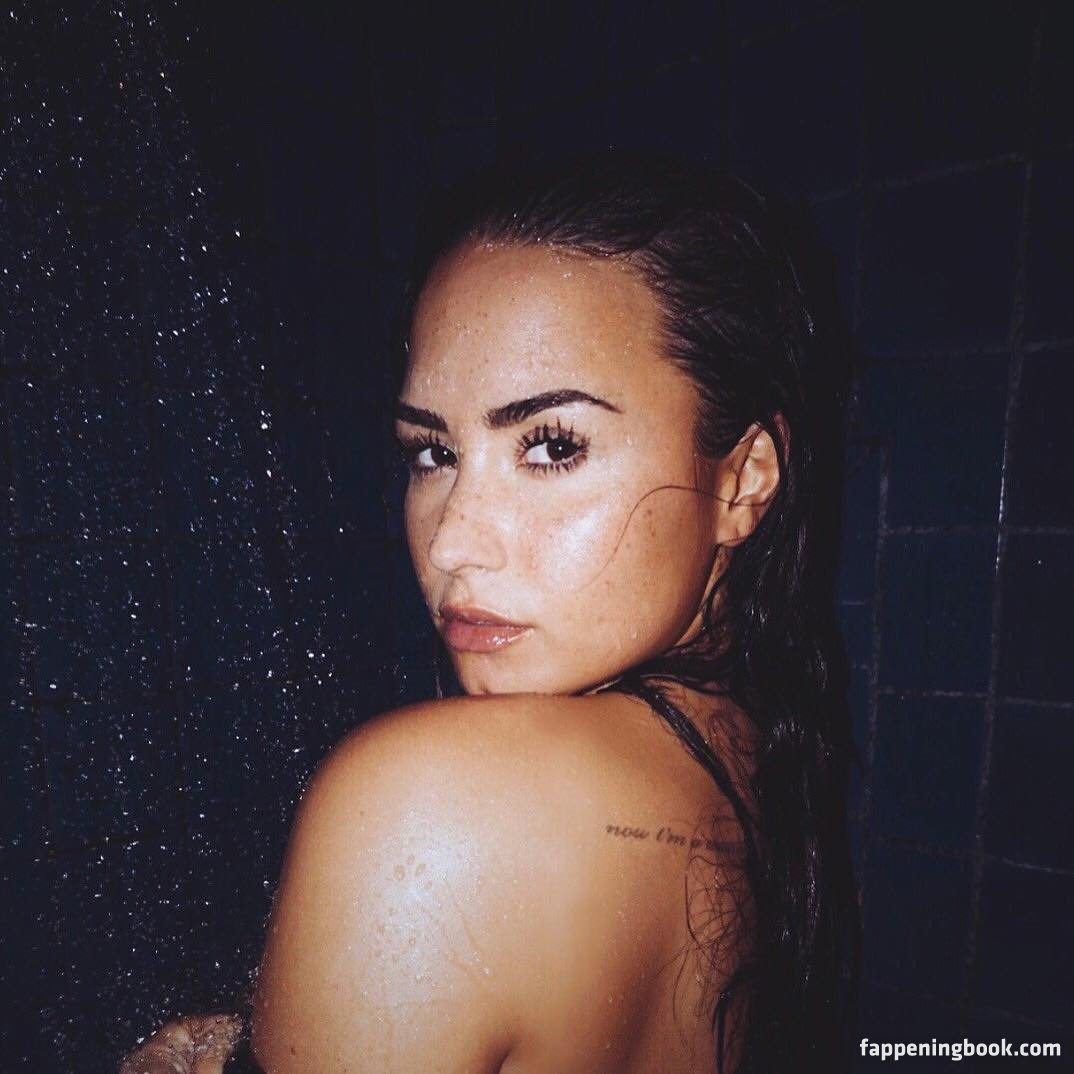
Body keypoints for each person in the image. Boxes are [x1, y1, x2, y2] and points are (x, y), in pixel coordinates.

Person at [121, 149, 858, 1074]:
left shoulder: (425, 806)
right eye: (433, 453)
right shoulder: (752, 744)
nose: (451, 543)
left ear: (743, 479)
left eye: (552, 446)